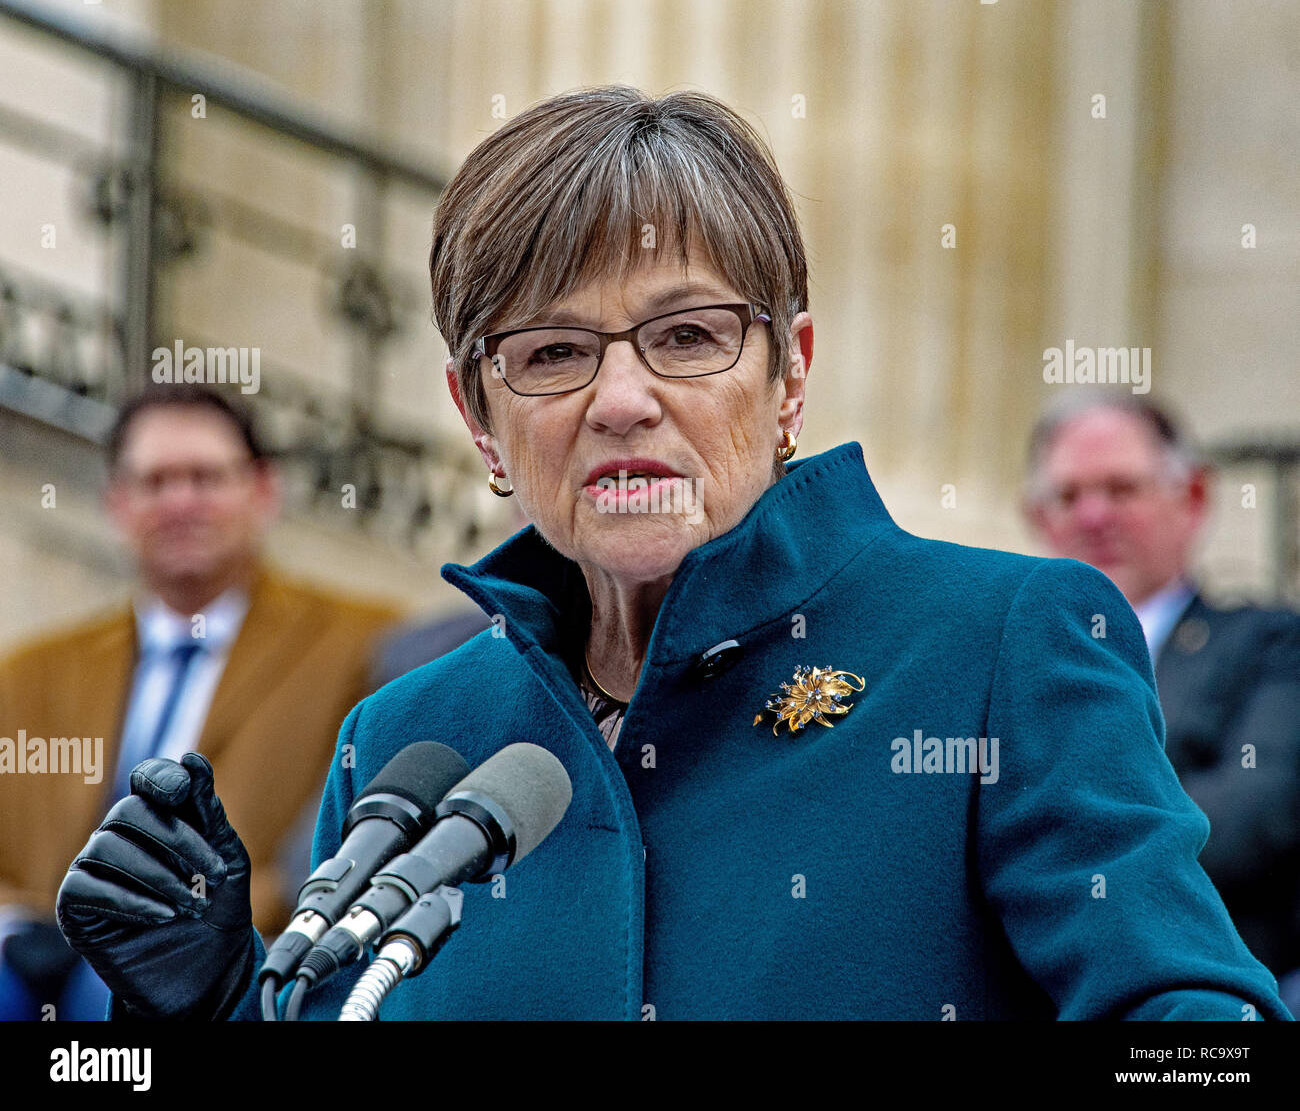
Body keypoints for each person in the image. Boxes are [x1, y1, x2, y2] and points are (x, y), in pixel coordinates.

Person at [56, 87, 1291, 1020]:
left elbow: (1188, 1025)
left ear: (790, 368)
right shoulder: (408, 737)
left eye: (688, 335)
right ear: (477, 418)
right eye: (549, 354)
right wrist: (216, 1012)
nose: (622, 399)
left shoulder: (995, 642)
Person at [0, 386, 400, 1019]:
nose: (181, 502)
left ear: (264, 491)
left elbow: (349, 839)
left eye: (206, 477)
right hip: (34, 956)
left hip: (234, 957)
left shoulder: (365, 646)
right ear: (116, 502)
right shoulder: (30, 670)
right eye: (156, 480)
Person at [1023, 389, 1300, 1004]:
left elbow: (1251, 815)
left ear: (1193, 497)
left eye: (1121, 489)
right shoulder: (1009, 661)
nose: (1094, 516)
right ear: (1037, 517)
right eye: (1068, 496)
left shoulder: (1271, 646)